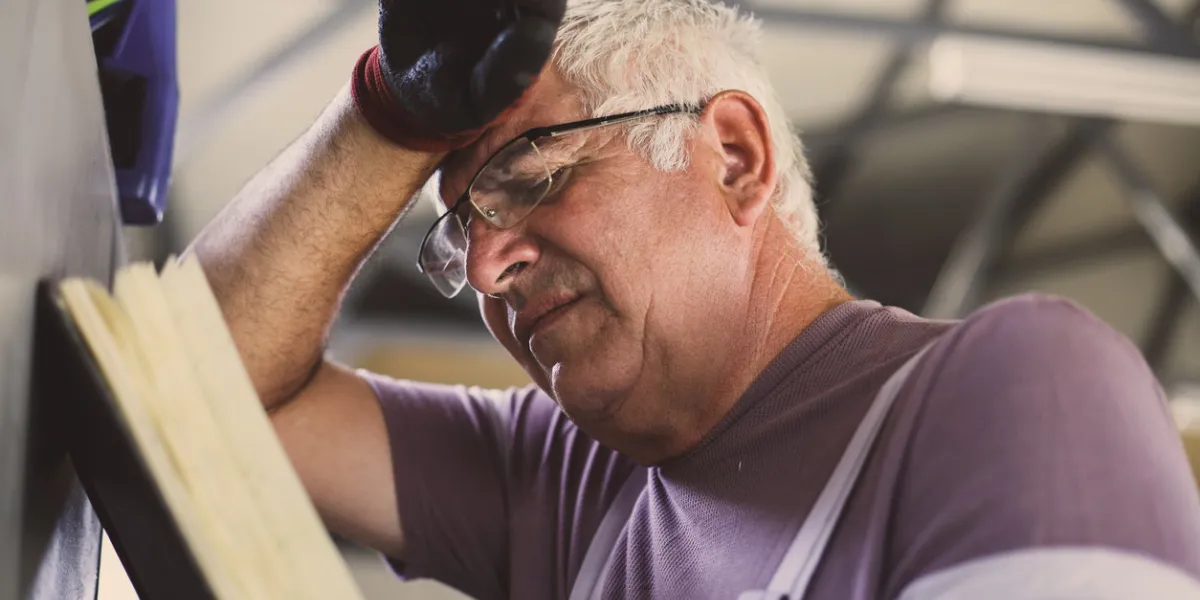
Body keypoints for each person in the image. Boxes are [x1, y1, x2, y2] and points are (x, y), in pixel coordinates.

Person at [188, 0, 1200, 598]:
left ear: (733, 157)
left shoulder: (1017, 395)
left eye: (537, 178)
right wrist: (391, 114)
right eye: (463, 231)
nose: (488, 271)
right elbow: (193, 388)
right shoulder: (557, 477)